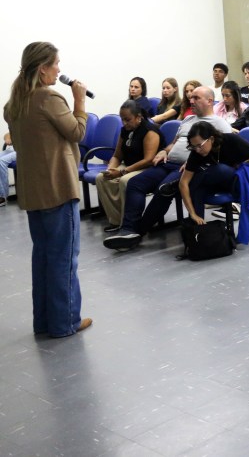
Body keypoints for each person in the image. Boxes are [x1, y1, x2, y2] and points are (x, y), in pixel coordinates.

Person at [4, 42, 91, 337]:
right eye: (55, 64)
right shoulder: (49, 98)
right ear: (42, 69)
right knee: (63, 258)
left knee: (42, 257)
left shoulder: (15, 102)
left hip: (33, 191)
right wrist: (79, 101)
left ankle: (43, 321)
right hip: (57, 188)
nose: (59, 70)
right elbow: (78, 133)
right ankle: (65, 322)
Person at [106, 86, 234, 250]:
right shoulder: (187, 120)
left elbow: (221, 154)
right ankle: (128, 229)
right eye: (191, 98)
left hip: (187, 169)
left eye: (196, 98)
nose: (191, 100)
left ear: (210, 101)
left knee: (163, 189)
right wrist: (164, 151)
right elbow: (174, 143)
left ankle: (137, 232)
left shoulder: (220, 124)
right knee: (135, 183)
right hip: (168, 163)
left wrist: (196, 162)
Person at [179, 121, 249, 224]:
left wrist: (240, 166)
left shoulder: (231, 140)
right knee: (197, 188)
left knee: (218, 170)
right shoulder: (196, 152)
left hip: (237, 179)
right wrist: (192, 213)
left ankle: (237, 204)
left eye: (199, 145)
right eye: (193, 147)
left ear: (211, 139)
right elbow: (183, 183)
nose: (197, 150)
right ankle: (198, 227)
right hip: (216, 181)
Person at [97, 100, 163, 232]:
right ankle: (116, 221)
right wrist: (111, 169)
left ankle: (127, 223)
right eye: (122, 119)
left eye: (127, 119)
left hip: (148, 168)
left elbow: (149, 160)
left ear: (138, 117)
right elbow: (117, 156)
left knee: (125, 180)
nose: (124, 123)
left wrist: (122, 172)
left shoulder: (150, 131)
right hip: (129, 165)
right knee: (101, 178)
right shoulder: (125, 130)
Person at [0, 133, 16, 207]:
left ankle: (2, 197)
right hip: (14, 148)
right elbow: (8, 134)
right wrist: (8, 138)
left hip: (26, 150)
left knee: (1, 161)